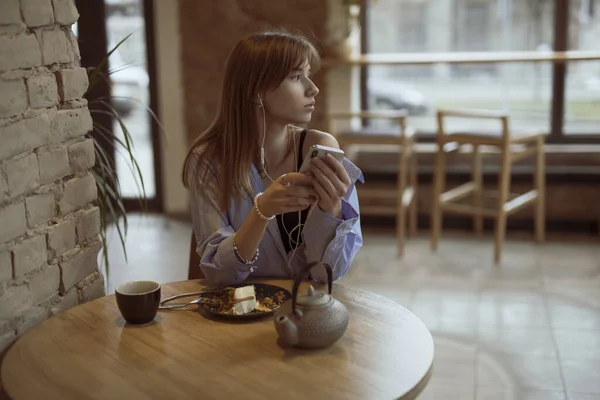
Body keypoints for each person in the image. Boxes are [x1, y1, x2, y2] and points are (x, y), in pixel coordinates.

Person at [181, 30, 364, 286]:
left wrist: (331, 209)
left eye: (308, 75)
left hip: (306, 314)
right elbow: (220, 274)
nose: (313, 89)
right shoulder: (208, 162)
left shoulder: (320, 148)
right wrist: (261, 211)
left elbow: (326, 274)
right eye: (296, 77)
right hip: (239, 315)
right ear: (257, 91)